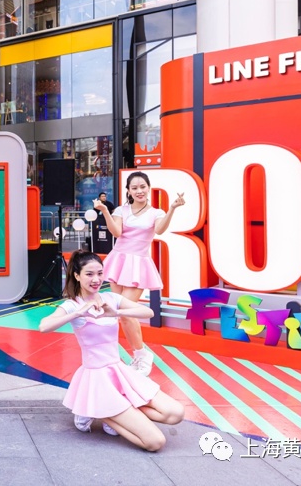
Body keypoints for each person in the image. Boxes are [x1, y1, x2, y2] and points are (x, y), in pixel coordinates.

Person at [39, 251, 184, 451]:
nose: (96, 279)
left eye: (100, 273)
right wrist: (78, 313)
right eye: (89, 274)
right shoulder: (72, 305)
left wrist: (116, 312)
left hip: (119, 372)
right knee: (155, 442)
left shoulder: (111, 298)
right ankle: (98, 409)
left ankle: (104, 409)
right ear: (77, 275)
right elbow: (44, 326)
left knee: (175, 413)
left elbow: (148, 312)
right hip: (97, 379)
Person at [92, 171, 185, 375]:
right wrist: (105, 211)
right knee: (122, 313)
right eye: (134, 188)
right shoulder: (121, 210)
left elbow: (160, 230)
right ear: (128, 191)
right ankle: (139, 356)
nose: (139, 191)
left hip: (138, 264)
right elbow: (116, 232)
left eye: (142, 187)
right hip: (119, 260)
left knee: (125, 312)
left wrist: (172, 208)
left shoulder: (156, 213)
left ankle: (142, 355)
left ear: (148, 188)